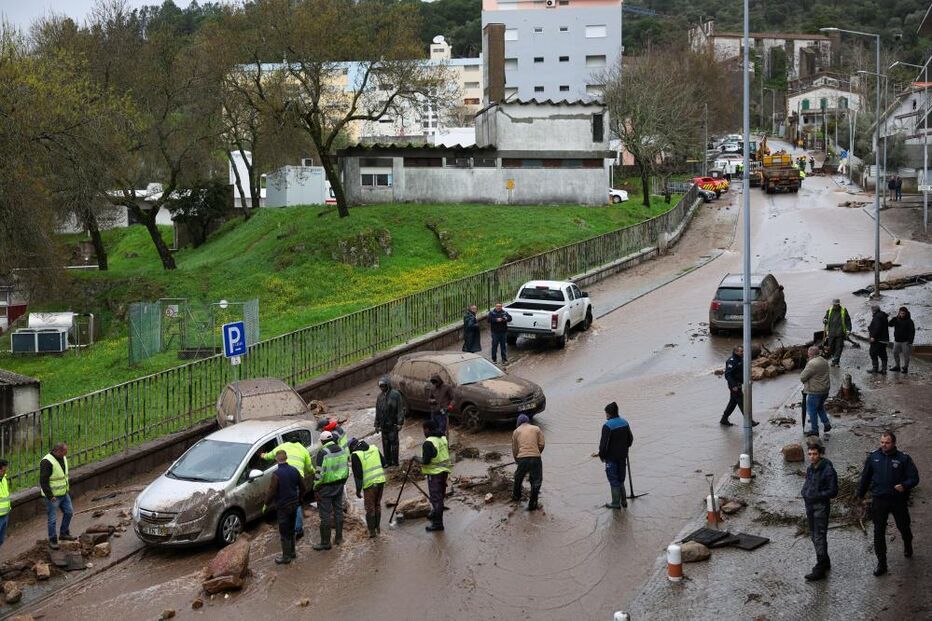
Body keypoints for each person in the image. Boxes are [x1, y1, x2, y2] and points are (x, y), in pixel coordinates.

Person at [857, 431, 920, 576]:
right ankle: (882, 563)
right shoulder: (873, 457)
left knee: (903, 526)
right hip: (879, 501)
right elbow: (865, 478)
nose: (884, 445)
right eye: (882, 442)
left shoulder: (903, 458)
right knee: (878, 532)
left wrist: (904, 485)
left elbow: (914, 478)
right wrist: (859, 495)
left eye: (887, 443)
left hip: (898, 501)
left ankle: (907, 543)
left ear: (894, 443)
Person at [260, 440, 314, 540]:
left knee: (283, 506)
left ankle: (286, 532)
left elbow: (271, 455)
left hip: (283, 482)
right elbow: (309, 467)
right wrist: (312, 471)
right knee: (296, 505)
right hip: (297, 479)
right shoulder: (303, 450)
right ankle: (298, 530)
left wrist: (263, 455)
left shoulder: (283, 446)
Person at [800, 442, 838, 581]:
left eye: (814, 454)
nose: (812, 457)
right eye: (809, 454)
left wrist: (817, 496)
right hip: (810, 505)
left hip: (820, 507)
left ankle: (820, 566)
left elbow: (833, 491)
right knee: (814, 534)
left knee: (819, 536)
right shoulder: (811, 468)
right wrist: (805, 492)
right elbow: (808, 483)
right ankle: (825, 561)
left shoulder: (827, 469)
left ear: (820, 454)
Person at [264, 450, 307, 564]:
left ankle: (286, 556)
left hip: (283, 507)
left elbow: (271, 491)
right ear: (286, 458)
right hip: (294, 504)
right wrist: (300, 498)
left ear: (276, 460)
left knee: (284, 532)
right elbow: (303, 487)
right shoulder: (294, 470)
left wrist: (266, 504)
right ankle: (292, 552)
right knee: (292, 530)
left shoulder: (276, 474)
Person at [312, 431, 348, 551]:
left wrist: (316, 487)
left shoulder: (323, 453)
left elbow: (319, 473)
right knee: (338, 511)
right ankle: (339, 538)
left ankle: (325, 543)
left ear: (322, 441)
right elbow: (346, 468)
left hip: (326, 487)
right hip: (339, 486)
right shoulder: (342, 449)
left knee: (325, 515)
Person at [414, 421, 451, 532]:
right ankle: (435, 513)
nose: (423, 433)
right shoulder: (443, 438)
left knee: (436, 499)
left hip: (435, 474)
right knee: (440, 495)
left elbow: (425, 461)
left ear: (427, 430)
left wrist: (415, 458)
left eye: (424, 430)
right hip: (444, 471)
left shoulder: (428, 442)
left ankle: (438, 524)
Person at [598, 402, 633, 509]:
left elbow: (603, 445)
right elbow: (630, 440)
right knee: (621, 479)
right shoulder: (625, 423)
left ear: (608, 413)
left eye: (606, 413)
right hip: (623, 456)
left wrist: (602, 456)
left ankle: (615, 503)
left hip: (611, 459)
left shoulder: (607, 426)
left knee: (613, 480)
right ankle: (624, 501)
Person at [40, 443, 74, 550]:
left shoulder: (62, 458)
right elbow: (43, 481)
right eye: (64, 453)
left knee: (69, 512)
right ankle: (53, 540)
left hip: (64, 493)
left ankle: (63, 533)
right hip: (53, 497)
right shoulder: (47, 462)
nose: (65, 455)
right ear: (58, 451)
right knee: (52, 519)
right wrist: (50, 496)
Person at [350, 438, 386, 537]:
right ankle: (377, 528)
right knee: (377, 505)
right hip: (381, 481)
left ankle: (372, 532)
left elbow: (358, 476)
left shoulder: (356, 455)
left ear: (352, 448)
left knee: (370, 508)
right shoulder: (374, 448)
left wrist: (358, 491)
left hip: (370, 485)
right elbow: (384, 463)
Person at [511, 414, 545, 511]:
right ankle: (533, 503)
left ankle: (516, 496)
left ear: (518, 423)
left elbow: (515, 449)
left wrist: (517, 460)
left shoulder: (516, 431)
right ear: (528, 422)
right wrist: (537, 452)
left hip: (522, 459)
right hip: (536, 458)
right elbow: (542, 444)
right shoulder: (536, 429)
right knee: (536, 480)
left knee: (518, 477)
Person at [721, 346, 758, 427]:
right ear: (736, 352)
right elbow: (728, 375)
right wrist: (733, 385)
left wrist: (748, 379)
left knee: (733, 403)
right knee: (742, 402)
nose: (743, 353)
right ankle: (749, 421)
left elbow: (742, 372)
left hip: (738, 384)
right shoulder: (731, 361)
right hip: (734, 386)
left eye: (743, 351)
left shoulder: (740, 359)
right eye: (741, 351)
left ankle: (724, 419)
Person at [800, 346, 831, 437]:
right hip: (825, 390)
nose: (807, 355)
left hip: (815, 391)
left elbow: (802, 377)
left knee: (812, 410)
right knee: (820, 407)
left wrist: (807, 363)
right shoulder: (824, 361)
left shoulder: (812, 363)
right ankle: (826, 424)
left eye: (808, 354)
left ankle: (815, 430)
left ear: (811, 354)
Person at [375, 376, 405, 467]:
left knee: (394, 444)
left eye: (383, 386)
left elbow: (400, 409)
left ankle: (395, 461)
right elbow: (378, 411)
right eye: (381, 386)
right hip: (384, 426)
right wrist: (376, 424)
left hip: (393, 424)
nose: (382, 388)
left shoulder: (395, 394)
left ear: (387, 385)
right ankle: (387, 461)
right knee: (385, 444)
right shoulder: (380, 397)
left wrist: (400, 423)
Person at [823, 299, 852, 367]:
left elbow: (848, 321)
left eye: (836, 305)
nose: (835, 306)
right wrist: (824, 320)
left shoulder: (844, 310)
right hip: (831, 333)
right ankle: (834, 358)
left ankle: (836, 361)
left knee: (839, 348)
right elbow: (825, 317)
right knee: (831, 347)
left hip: (840, 333)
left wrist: (848, 330)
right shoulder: (829, 310)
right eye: (834, 305)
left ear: (839, 304)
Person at [888, 307, 915, 374]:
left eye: (903, 313)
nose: (902, 314)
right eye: (901, 313)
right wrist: (893, 319)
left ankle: (905, 368)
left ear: (906, 313)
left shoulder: (909, 321)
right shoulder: (896, 319)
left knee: (906, 356)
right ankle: (897, 367)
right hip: (897, 340)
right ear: (899, 313)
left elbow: (912, 332)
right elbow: (889, 325)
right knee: (895, 353)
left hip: (905, 342)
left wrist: (910, 341)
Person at [867, 304, 889, 375]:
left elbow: (877, 327)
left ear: (873, 311)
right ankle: (884, 369)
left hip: (878, 339)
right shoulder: (883, 315)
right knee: (883, 354)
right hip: (884, 339)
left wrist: (873, 336)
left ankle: (875, 368)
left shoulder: (877, 317)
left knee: (872, 352)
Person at [0, 460, 9, 548]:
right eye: (3, 470)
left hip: (5, 514)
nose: (5, 472)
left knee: (1, 540)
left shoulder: (4, 479)